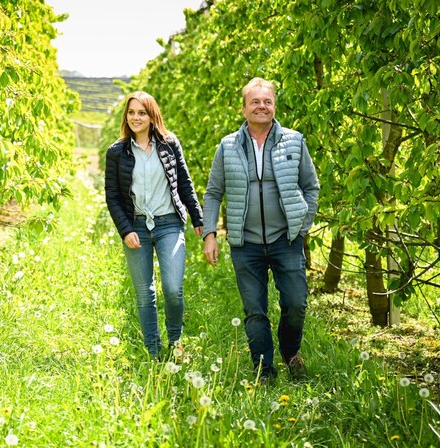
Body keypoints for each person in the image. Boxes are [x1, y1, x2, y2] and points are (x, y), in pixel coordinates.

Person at [202, 77, 320, 382]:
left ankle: (290, 353)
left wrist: (302, 225)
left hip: (286, 239)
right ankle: (263, 369)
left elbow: (311, 186)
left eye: (267, 101)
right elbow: (214, 192)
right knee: (255, 310)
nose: (261, 106)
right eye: (255, 101)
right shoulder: (228, 146)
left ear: (274, 106)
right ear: (243, 108)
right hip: (246, 243)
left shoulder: (294, 140)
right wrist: (210, 234)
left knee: (295, 304)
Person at [105, 91, 204, 358]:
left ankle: (175, 339)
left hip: (169, 224)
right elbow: (112, 196)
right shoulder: (116, 152)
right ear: (126, 117)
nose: (136, 117)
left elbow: (184, 182)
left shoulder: (170, 144)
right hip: (136, 227)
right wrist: (126, 230)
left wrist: (198, 218)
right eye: (131, 112)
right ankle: (153, 349)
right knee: (144, 293)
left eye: (142, 112)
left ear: (152, 116)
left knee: (173, 288)